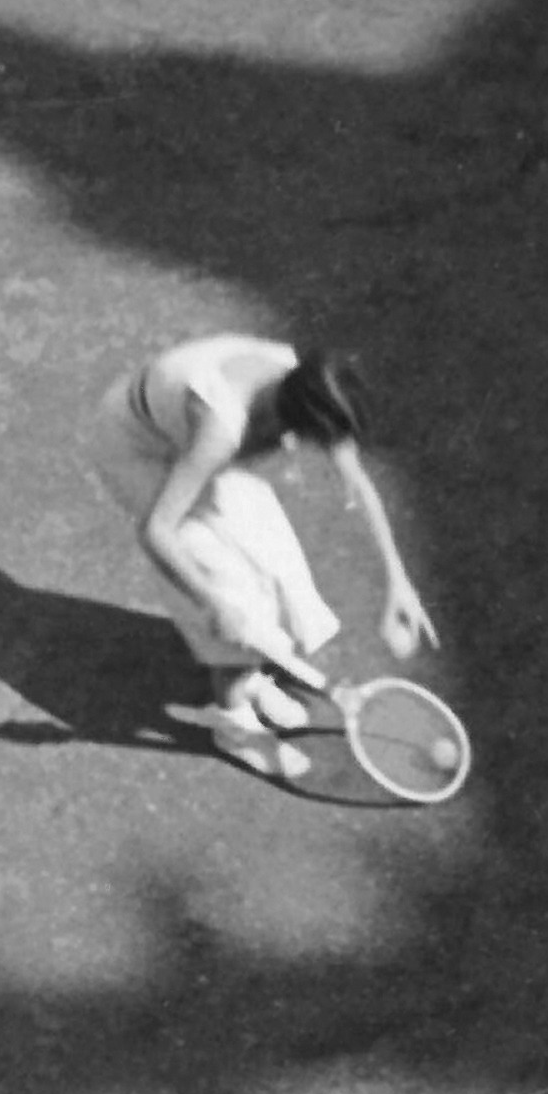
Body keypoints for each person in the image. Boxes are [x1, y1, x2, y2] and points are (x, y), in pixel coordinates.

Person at [87, 331, 434, 778]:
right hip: (136, 450)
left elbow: (360, 484)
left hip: (189, 433)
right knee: (233, 603)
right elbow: (157, 531)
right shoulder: (222, 429)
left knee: (274, 567)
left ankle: (249, 678)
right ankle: (235, 730)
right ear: (297, 424)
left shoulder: (311, 385)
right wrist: (211, 602)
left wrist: (398, 581)